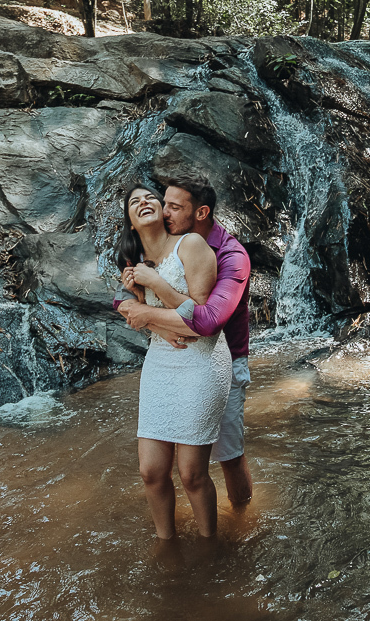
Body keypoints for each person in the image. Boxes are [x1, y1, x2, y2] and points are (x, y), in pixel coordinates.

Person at [116, 174, 254, 508]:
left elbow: (206, 321)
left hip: (224, 362)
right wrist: (152, 321)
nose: (164, 213)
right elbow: (121, 299)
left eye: (174, 208)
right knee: (175, 466)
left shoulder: (231, 257)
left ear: (201, 213)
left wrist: (148, 314)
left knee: (228, 456)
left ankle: (243, 520)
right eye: (164, 203)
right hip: (172, 362)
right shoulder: (161, 244)